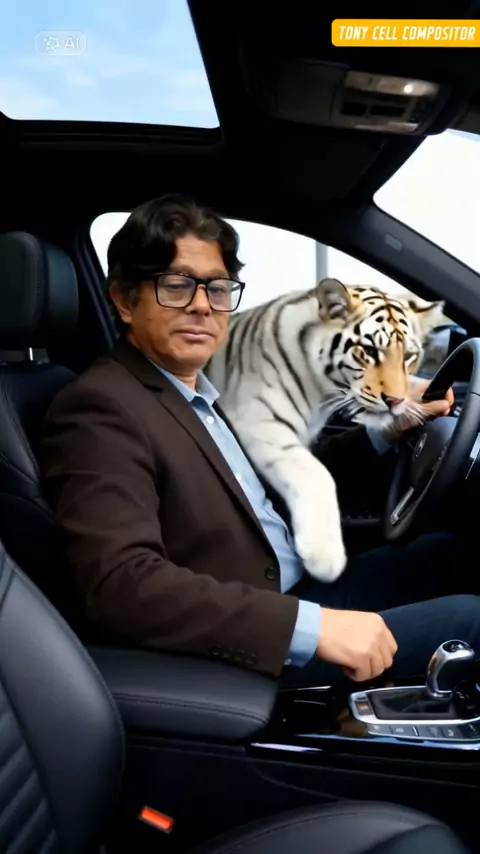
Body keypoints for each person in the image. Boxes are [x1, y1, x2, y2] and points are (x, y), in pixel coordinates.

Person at [39, 194, 480, 689]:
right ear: (124, 300)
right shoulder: (99, 407)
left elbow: (272, 486)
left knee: (451, 553)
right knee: (471, 621)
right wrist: (311, 629)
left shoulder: (194, 393)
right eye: (177, 286)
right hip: (248, 644)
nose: (203, 305)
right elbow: (119, 584)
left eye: (218, 288)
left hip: (290, 587)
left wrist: (387, 431)